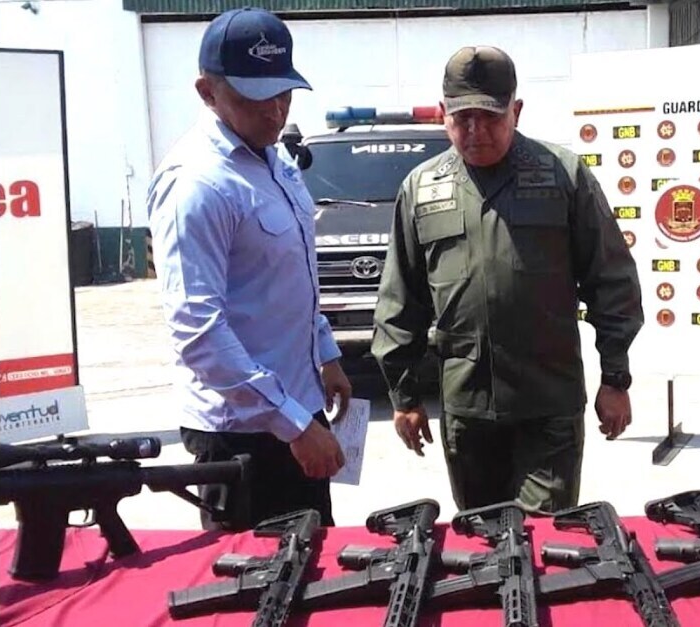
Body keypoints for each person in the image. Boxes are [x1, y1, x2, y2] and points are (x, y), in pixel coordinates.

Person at [371, 46, 644, 514]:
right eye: (462, 118)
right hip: (467, 411)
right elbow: (401, 299)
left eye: (490, 117)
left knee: (545, 536)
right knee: (480, 538)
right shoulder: (421, 188)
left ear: (516, 111)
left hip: (548, 407)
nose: (475, 131)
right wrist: (404, 396)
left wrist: (615, 378)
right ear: (442, 114)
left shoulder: (562, 175)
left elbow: (612, 280)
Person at [148, 7, 351, 530]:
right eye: (253, 98)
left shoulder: (274, 161)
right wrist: (293, 425)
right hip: (242, 433)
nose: (274, 112)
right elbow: (198, 332)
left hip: (296, 410)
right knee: (253, 576)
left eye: (283, 94)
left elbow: (288, 276)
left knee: (314, 566)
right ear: (207, 91)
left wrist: (326, 354)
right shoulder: (197, 183)